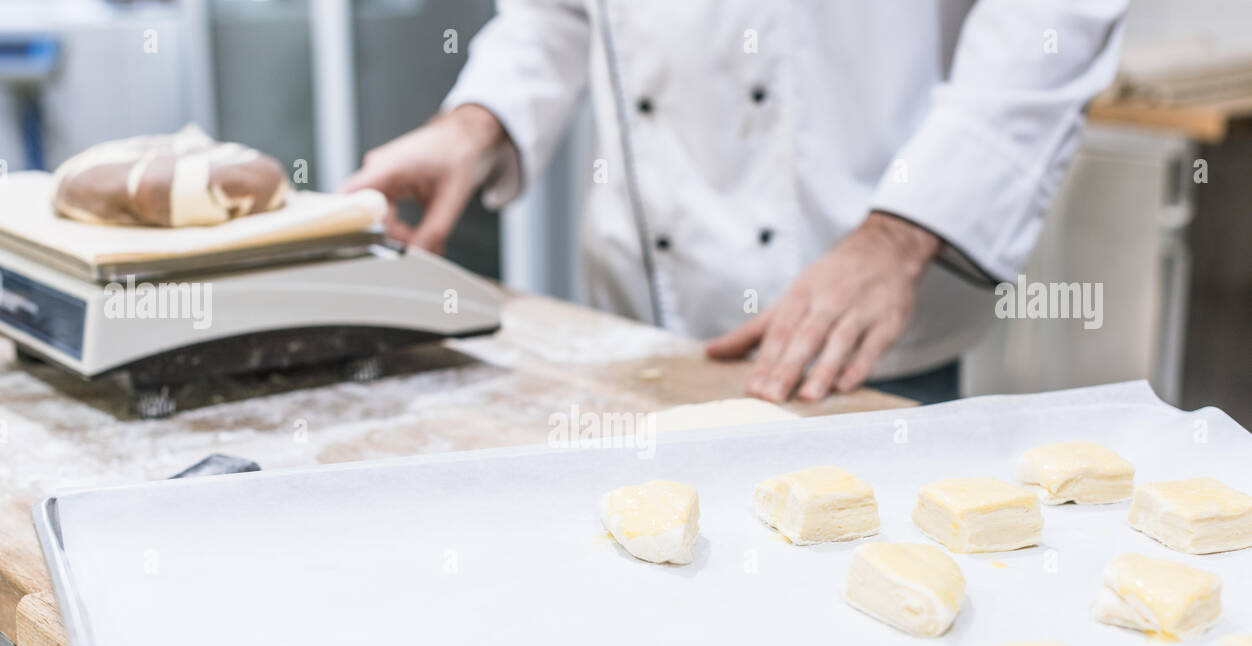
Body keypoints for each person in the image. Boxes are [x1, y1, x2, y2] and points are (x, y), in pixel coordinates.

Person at [344, 1, 1129, 404]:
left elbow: (1046, 16)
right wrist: (476, 121)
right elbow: (556, 15)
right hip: (633, 324)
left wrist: (904, 232)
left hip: (853, 327)